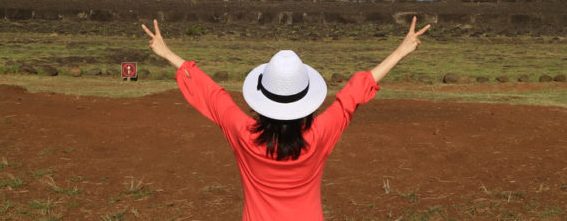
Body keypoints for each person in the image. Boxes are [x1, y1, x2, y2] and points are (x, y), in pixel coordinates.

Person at [141, 17, 430, 221]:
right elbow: (354, 93)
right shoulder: (320, 134)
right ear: (307, 100)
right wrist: (401, 51)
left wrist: (167, 54)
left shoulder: (243, 133)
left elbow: (211, 93)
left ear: (261, 96)